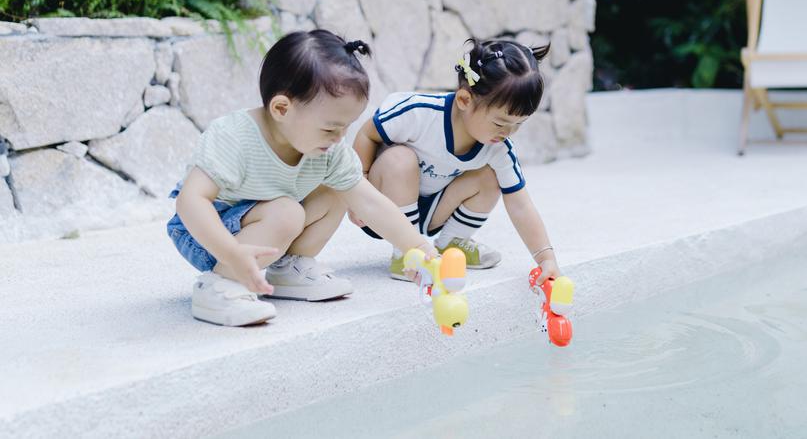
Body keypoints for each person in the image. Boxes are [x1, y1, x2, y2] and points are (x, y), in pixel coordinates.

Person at [167, 29, 436, 327]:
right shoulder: (235, 137)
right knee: (287, 212)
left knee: (338, 189)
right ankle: (221, 285)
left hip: (261, 222)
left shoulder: (328, 150)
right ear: (281, 108)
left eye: (346, 127)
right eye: (330, 128)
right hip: (207, 234)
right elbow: (190, 201)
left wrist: (420, 249)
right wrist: (230, 253)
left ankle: (288, 268)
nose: (339, 138)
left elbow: (370, 202)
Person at [351, 38, 561, 283]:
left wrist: (546, 259)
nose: (507, 132)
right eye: (500, 123)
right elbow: (367, 134)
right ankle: (407, 254)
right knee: (399, 158)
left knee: (490, 175)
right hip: (382, 210)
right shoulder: (419, 113)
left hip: (432, 211)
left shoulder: (498, 147)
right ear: (464, 100)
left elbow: (520, 204)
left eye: (518, 124)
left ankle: (452, 242)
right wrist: (358, 195)